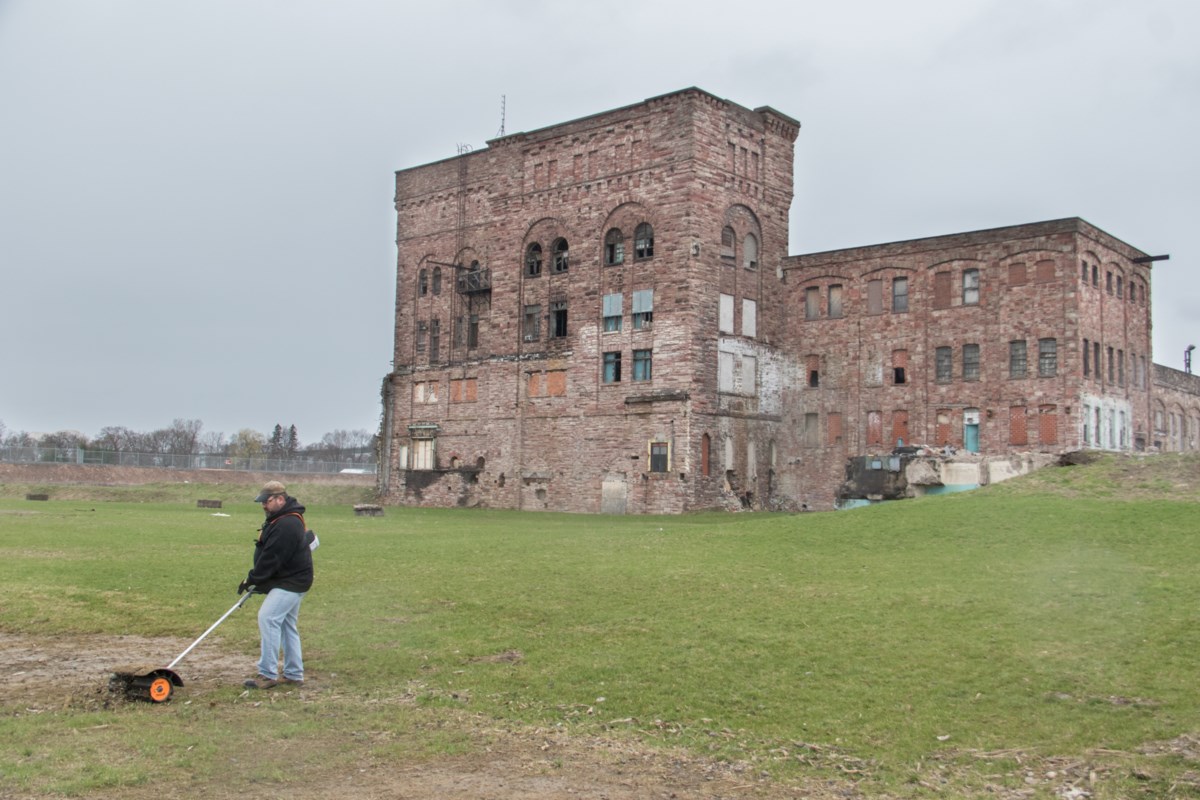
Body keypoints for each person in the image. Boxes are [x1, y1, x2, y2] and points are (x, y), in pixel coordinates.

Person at [239, 480, 313, 689]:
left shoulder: (288, 524)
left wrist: (254, 579)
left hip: (292, 581)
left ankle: (267, 673)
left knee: (268, 617)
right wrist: (259, 580)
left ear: (281, 499)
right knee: (286, 624)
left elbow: (273, 557)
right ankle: (293, 673)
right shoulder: (279, 519)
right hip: (288, 579)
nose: (264, 505)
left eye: (267, 501)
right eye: (262, 502)